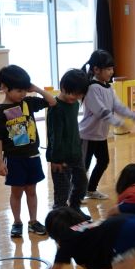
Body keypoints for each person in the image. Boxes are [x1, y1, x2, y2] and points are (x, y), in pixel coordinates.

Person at [0, 64, 56, 239]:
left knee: (32, 191)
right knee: (16, 192)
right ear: (4, 87)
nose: (23, 94)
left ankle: (33, 222)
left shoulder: (28, 103)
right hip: (14, 159)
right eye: (19, 90)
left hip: (32, 157)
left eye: (25, 90)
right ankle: (17, 222)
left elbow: (52, 101)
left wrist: (36, 89)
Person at [79, 50, 135, 201]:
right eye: (108, 69)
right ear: (96, 69)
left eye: (112, 68)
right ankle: (76, 195)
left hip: (100, 135)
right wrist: (119, 123)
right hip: (87, 135)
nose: (111, 72)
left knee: (103, 161)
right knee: (82, 167)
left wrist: (134, 116)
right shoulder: (92, 88)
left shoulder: (108, 87)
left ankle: (91, 190)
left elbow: (118, 106)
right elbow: (102, 112)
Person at [47, 69, 89, 209]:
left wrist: (78, 148)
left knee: (82, 183)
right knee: (62, 191)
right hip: (60, 158)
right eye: (71, 93)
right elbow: (54, 136)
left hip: (75, 153)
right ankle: (59, 216)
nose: (74, 97)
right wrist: (56, 159)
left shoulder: (75, 104)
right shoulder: (56, 108)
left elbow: (73, 129)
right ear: (63, 88)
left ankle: (74, 209)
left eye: (78, 95)